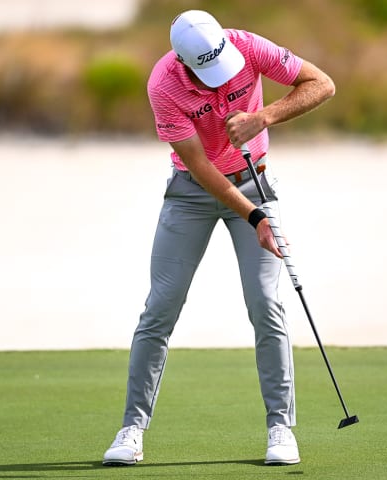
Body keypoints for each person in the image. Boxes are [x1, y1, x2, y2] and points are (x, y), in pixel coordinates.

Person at [102, 9, 335, 466]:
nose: (216, 80)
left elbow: (322, 84)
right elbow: (202, 168)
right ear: (183, 63)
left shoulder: (246, 45)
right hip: (193, 191)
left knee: (266, 303)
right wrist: (255, 218)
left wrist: (263, 117)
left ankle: (279, 428)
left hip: (254, 179)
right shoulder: (164, 83)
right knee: (160, 307)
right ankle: (131, 430)